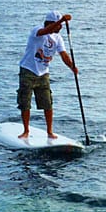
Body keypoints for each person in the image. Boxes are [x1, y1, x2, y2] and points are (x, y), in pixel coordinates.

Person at [17, 11, 78, 139]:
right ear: (50, 23)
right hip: (28, 71)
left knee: (47, 103)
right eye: (58, 26)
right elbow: (45, 31)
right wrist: (61, 21)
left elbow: (64, 55)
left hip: (43, 73)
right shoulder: (37, 31)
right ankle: (26, 131)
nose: (60, 28)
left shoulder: (58, 38)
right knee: (25, 102)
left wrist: (72, 67)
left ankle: (50, 132)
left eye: (61, 26)